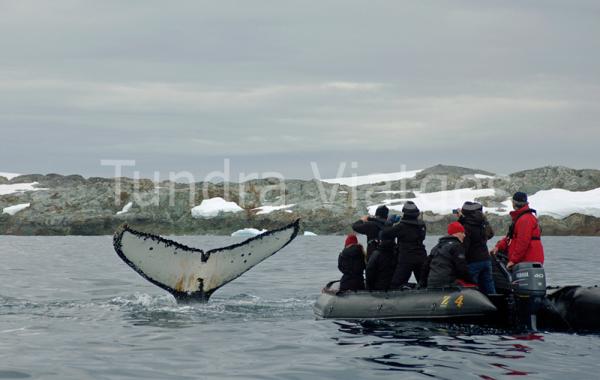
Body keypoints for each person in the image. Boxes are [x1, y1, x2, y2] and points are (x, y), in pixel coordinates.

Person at [491, 192, 544, 270]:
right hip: (528, 259)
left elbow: (523, 242)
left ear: (514, 203)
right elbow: (510, 237)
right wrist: (498, 247)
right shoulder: (523, 217)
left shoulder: (524, 219)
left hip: (527, 260)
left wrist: (513, 260)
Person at [381, 201, 427, 288]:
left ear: (405, 212)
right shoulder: (422, 225)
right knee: (424, 283)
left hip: (406, 259)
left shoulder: (402, 226)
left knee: (396, 284)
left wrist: (389, 223)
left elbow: (385, 234)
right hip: (421, 256)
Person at [458, 201, 496, 294]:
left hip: (472, 261)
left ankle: (473, 307)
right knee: (489, 287)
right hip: (486, 259)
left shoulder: (466, 226)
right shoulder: (482, 223)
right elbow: (490, 234)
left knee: (471, 288)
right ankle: (496, 305)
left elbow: (464, 247)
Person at [421, 222, 472, 288]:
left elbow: (426, 267)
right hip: (447, 283)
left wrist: (422, 283)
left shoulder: (436, 247)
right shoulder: (457, 246)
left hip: (432, 283)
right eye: (462, 233)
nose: (464, 235)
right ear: (456, 233)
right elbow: (462, 269)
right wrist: (472, 281)